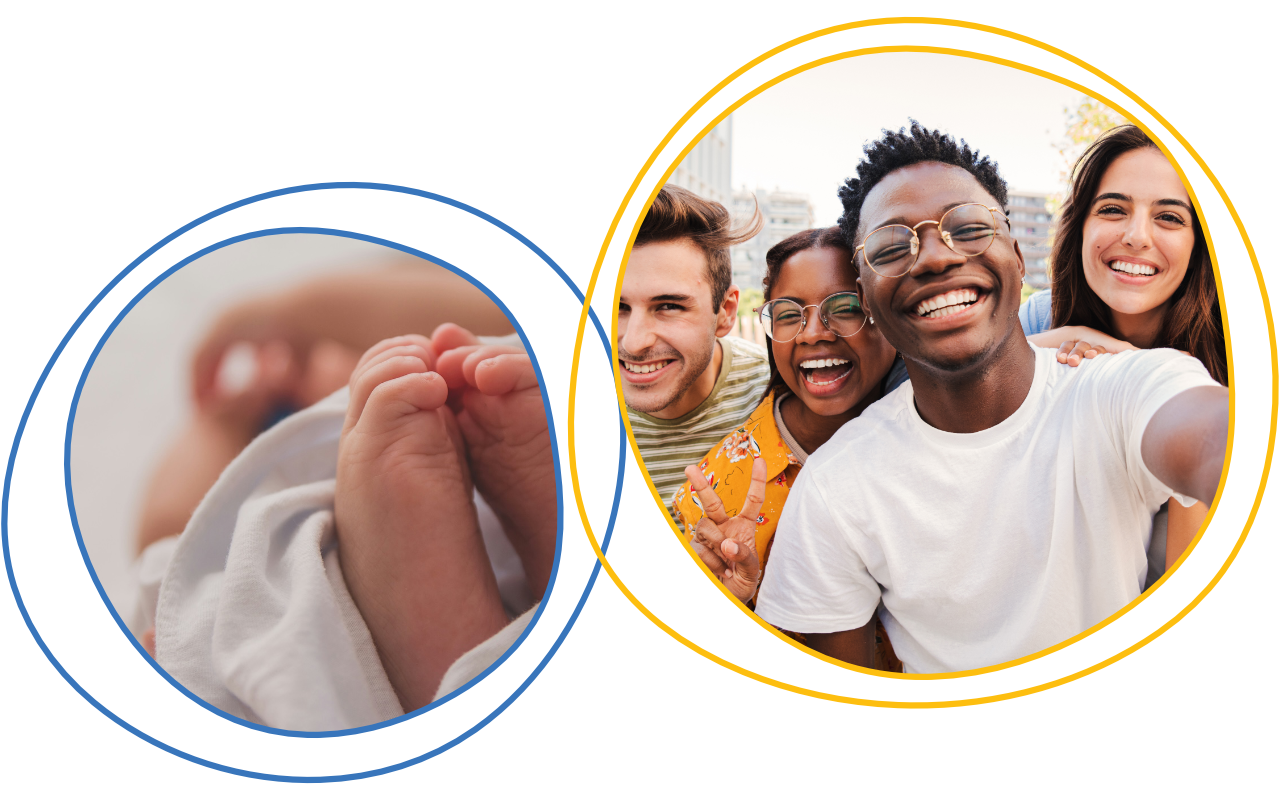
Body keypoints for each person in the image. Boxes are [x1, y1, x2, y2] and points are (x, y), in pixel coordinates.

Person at [753, 123, 1229, 673]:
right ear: (865, 296)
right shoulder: (837, 485)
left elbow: (1205, 433)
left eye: (970, 227)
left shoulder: (1123, 386)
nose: (933, 257)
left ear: (1018, 255)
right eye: (889, 247)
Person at [137, 265, 556, 729]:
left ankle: (445, 653)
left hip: (296, 652)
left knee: (185, 574)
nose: (293, 368)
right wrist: (229, 411)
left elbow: (170, 528)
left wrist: (277, 318)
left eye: (322, 351)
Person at [669, 227, 904, 670]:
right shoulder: (716, 494)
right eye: (789, 314)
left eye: (847, 308)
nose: (813, 332)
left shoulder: (936, 436)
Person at [1020, 125, 1226, 578]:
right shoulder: (1040, 320)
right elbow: (946, 388)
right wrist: (1050, 343)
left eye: (1169, 217)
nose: (1136, 236)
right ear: (1082, 225)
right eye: (1113, 209)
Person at [617, 185, 769, 519]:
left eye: (668, 306)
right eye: (618, 307)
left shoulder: (774, 394)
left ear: (726, 312)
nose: (632, 342)